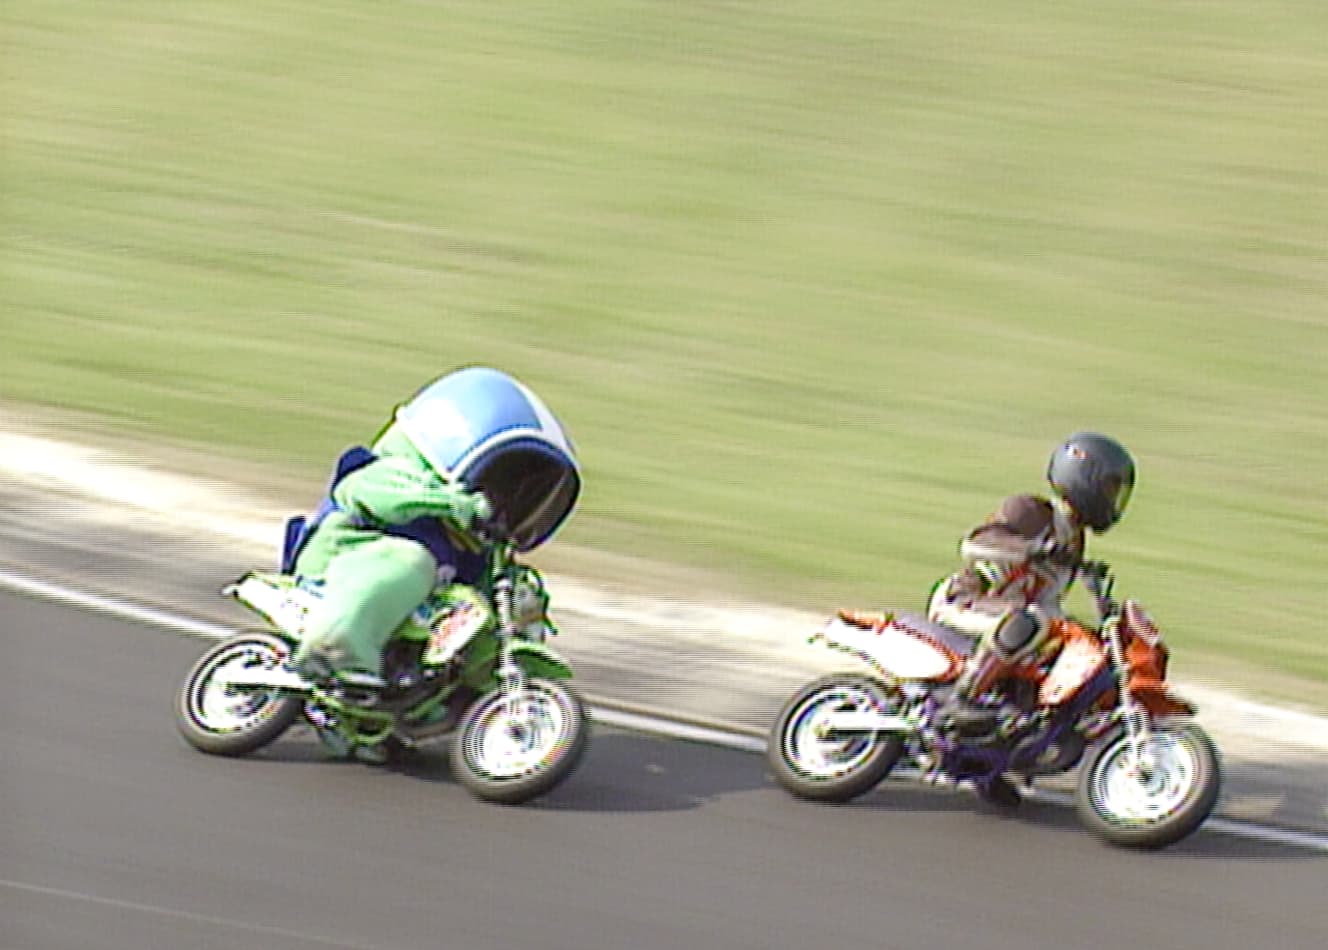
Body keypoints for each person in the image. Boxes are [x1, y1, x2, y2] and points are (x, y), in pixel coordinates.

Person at [283, 366, 582, 699]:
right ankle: (335, 650)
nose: (508, 507)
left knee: (480, 612)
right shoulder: (398, 474)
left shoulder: (474, 549)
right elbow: (370, 494)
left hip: (409, 613)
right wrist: (449, 502)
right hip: (339, 567)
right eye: (504, 486)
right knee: (409, 560)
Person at [926, 432, 1136, 806]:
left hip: (1014, 624)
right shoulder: (1032, 511)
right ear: (1081, 475)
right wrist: (1033, 549)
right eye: (1108, 487)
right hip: (970, 601)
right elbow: (975, 543)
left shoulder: (1075, 541)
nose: (1112, 499)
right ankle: (965, 698)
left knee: (1069, 650)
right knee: (1036, 620)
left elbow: (1052, 599)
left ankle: (997, 760)